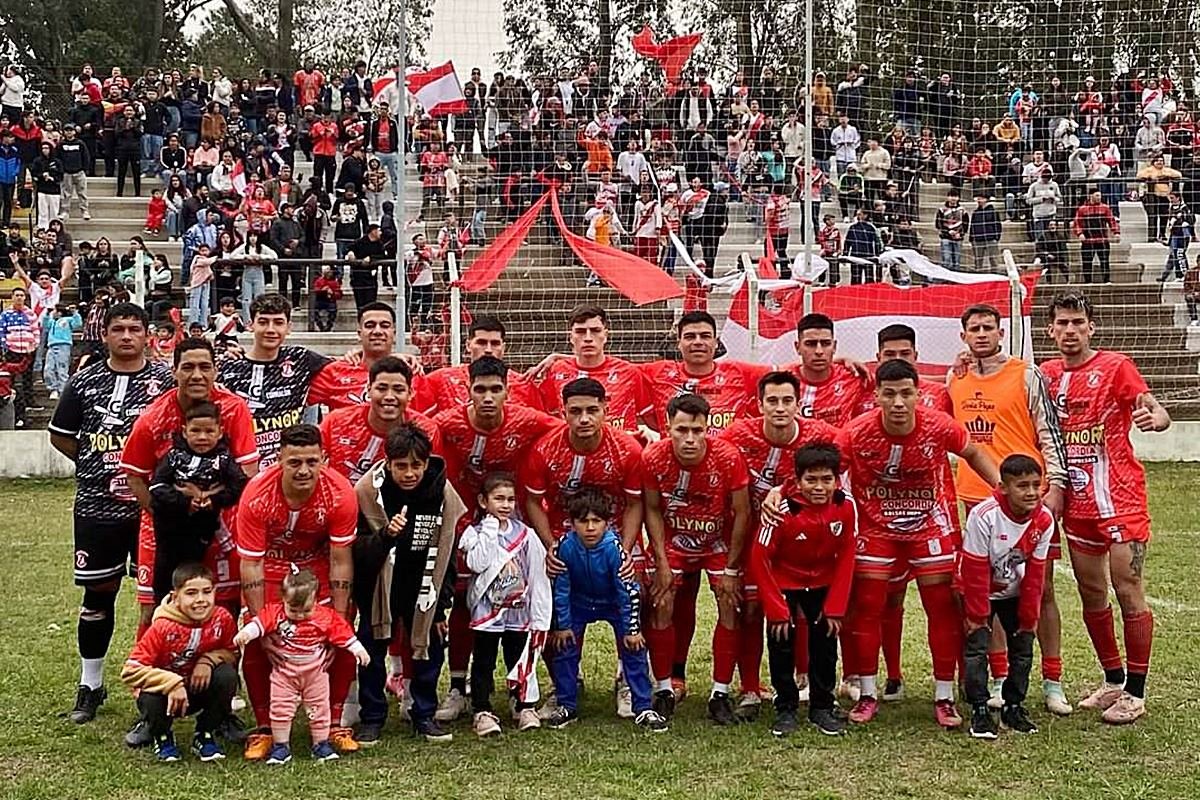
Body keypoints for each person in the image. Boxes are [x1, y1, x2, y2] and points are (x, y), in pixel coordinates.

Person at [833, 359, 998, 728]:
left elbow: (973, 452)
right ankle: (868, 694)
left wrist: (1001, 490)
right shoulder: (856, 431)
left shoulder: (938, 424)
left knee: (941, 607)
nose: (898, 402)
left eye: (905, 393)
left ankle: (944, 697)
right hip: (876, 530)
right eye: (889, 394)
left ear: (918, 395)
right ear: (876, 396)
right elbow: (826, 471)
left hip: (928, 527)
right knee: (868, 608)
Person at [1040, 293, 1171, 724]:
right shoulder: (1045, 374)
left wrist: (1157, 419)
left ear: (1091, 328)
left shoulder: (1115, 366)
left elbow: (1153, 407)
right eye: (1063, 323)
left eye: (1078, 322)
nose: (1070, 330)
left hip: (1120, 499)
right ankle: (1113, 679)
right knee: (1091, 591)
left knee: (1128, 588)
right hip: (1076, 505)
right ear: (1050, 330)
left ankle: (1136, 691)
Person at [49, 302, 175, 725]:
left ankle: (154, 686)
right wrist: (95, 463)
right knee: (97, 596)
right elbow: (61, 436)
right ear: (104, 334)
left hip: (152, 510)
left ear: (146, 335)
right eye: (118, 329)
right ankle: (91, 684)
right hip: (96, 506)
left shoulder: (165, 381)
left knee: (159, 600)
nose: (126, 336)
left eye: (134, 329)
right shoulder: (84, 381)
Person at [949, 304, 1072, 715]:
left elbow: (1049, 432)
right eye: (974, 329)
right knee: (992, 590)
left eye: (989, 327)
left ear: (1001, 333)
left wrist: (1055, 485)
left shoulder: (1026, 374)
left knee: (1042, 589)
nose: (982, 334)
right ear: (964, 336)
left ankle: (1053, 681)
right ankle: (1001, 678)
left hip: (1028, 499)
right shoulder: (956, 376)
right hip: (978, 499)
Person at [717, 372, 841, 719]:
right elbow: (708, 452)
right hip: (747, 537)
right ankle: (750, 689)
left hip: (795, 543)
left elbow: (840, 467)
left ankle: (806, 682)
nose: (780, 408)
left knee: (802, 609)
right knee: (751, 610)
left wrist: (782, 489)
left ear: (798, 404)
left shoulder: (821, 435)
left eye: (787, 401)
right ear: (759, 405)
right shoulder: (738, 435)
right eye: (772, 401)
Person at [234, 424, 359, 758]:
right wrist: (260, 621)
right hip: (271, 565)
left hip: (316, 565)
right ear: (279, 460)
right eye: (294, 462)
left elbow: (341, 560)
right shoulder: (257, 493)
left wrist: (339, 617)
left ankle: (333, 724)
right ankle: (264, 728)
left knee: (342, 633)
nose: (304, 470)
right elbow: (251, 564)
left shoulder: (340, 492)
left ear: (324, 460)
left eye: (311, 461)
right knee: (256, 635)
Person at [642, 393, 750, 725]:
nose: (690, 438)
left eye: (697, 431)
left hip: (717, 541)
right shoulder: (653, 457)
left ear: (707, 429)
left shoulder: (728, 457)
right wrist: (661, 561)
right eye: (682, 430)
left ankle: (720, 693)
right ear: (668, 427)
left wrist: (731, 568)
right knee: (661, 602)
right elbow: (652, 509)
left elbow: (743, 512)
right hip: (674, 540)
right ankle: (663, 690)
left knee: (730, 603)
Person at [751, 442, 857, 737]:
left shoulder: (846, 506)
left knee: (825, 644)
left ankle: (822, 706)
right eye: (811, 480)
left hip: (822, 582)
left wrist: (836, 607)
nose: (819, 487)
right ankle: (785, 707)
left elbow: (847, 554)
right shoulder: (781, 509)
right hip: (785, 583)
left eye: (826, 479)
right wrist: (776, 608)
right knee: (781, 642)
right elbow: (759, 557)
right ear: (797, 481)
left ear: (837, 480)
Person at [547, 488, 668, 732]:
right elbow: (560, 588)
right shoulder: (564, 547)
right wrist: (563, 625)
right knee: (564, 646)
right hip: (579, 602)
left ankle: (643, 707)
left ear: (607, 523)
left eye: (597, 521)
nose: (590, 528)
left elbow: (628, 591)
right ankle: (566, 704)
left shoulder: (615, 548)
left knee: (634, 648)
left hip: (613, 603)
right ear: (572, 523)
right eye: (583, 521)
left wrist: (632, 629)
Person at [960, 455, 1055, 739]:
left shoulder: (1044, 519)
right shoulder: (984, 515)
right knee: (977, 647)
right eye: (1022, 486)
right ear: (1003, 487)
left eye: (1036, 485)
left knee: (1023, 647)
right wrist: (977, 617)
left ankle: (1013, 706)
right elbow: (974, 569)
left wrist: (1029, 617)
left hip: (1014, 591)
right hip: (979, 591)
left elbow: (1036, 573)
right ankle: (979, 709)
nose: (1031, 492)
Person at [234, 569, 370, 764]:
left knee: (319, 709)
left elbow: (344, 634)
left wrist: (359, 650)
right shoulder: (275, 613)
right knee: (280, 709)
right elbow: (259, 624)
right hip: (284, 674)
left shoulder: (325, 617)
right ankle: (281, 746)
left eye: (306, 610)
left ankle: (321, 744)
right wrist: (246, 634)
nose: (299, 615)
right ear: (283, 599)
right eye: (293, 610)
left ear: (316, 601)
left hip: (315, 675)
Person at [460, 473, 552, 736]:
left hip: (518, 612)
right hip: (487, 614)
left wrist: (539, 614)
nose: (505, 505)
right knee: (484, 661)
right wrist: (489, 529)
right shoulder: (474, 533)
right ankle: (482, 709)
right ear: (483, 501)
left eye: (510, 499)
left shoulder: (526, 534)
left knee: (518, 657)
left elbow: (537, 573)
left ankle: (523, 705)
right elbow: (478, 563)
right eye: (498, 499)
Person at [120, 563, 238, 762]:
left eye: (207, 592)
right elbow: (130, 671)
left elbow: (232, 653)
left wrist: (208, 660)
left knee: (226, 675)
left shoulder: (222, 618)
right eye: (191, 593)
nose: (200, 600)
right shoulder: (162, 626)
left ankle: (205, 733)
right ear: (175, 597)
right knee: (150, 695)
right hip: (165, 696)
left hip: (197, 688)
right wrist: (171, 683)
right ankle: (161, 735)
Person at [147, 401, 249, 604]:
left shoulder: (223, 459)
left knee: (193, 578)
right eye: (195, 431)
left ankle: (192, 615)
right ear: (185, 431)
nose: (202, 437)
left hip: (202, 531)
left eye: (209, 431)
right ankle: (164, 614)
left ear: (220, 432)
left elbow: (240, 486)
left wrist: (213, 499)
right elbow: (156, 487)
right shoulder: (174, 457)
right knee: (164, 581)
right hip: (169, 530)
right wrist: (185, 501)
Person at [639, 311, 768, 435]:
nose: (698, 342)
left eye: (705, 336)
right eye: (690, 337)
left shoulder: (740, 373)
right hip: (674, 450)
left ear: (716, 342)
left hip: (725, 450)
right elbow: (626, 371)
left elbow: (779, 374)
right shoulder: (658, 373)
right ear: (679, 343)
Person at [533, 305, 652, 433]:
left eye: (595, 331)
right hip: (575, 444)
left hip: (620, 444)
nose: (588, 338)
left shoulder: (629, 373)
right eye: (580, 331)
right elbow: (547, 418)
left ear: (605, 335)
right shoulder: (556, 371)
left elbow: (651, 418)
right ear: (571, 337)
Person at [411, 316, 542, 414]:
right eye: (481, 343)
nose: (488, 350)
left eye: (495, 344)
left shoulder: (523, 384)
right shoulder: (439, 380)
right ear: (468, 345)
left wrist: (555, 359)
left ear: (503, 348)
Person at [784, 313, 872, 427]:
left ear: (834, 346)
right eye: (810, 344)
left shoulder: (854, 376)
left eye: (826, 344)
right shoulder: (782, 379)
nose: (819, 351)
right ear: (797, 347)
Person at [1072, 189, 1119, 283]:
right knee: (1087, 262)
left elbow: (1111, 220)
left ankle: (1106, 280)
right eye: (1097, 195)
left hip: (1102, 240)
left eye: (1100, 195)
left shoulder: (1105, 208)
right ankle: (1088, 281)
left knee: (1105, 261)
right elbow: (1077, 223)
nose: (1099, 197)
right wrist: (1080, 233)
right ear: (1091, 196)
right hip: (1088, 240)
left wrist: (1116, 232)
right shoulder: (1082, 209)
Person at [43, 302, 82, 400]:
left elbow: (77, 323)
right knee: (48, 369)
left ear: (60, 312)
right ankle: (53, 388)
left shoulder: (67, 320)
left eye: (56, 311)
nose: (54, 313)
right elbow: (45, 324)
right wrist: (47, 314)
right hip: (51, 346)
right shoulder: (52, 322)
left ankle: (62, 390)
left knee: (62, 369)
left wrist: (75, 313)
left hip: (63, 346)